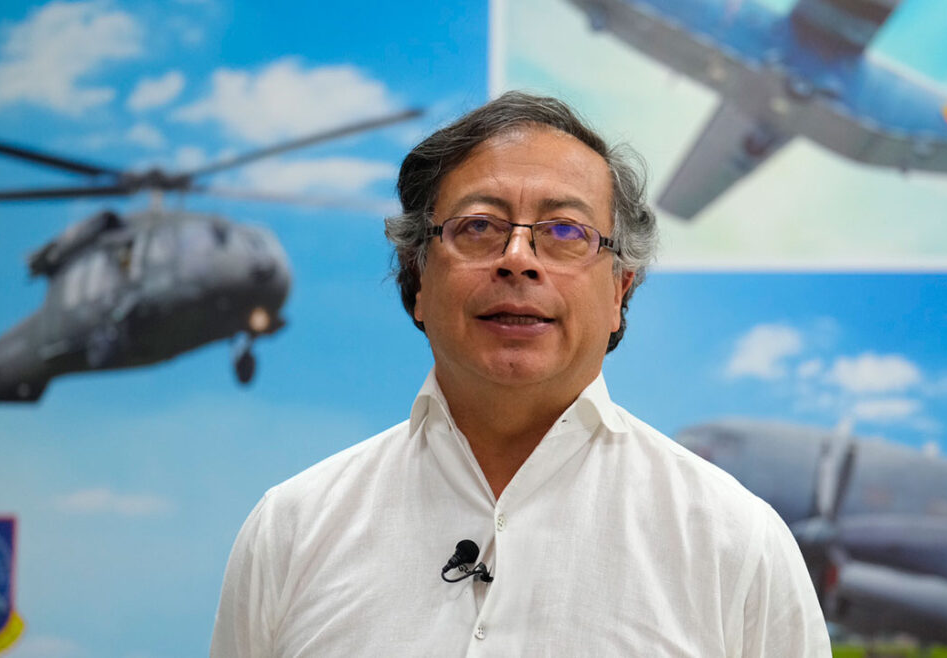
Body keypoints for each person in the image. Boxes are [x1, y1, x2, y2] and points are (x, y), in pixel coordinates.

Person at [210, 92, 830, 656]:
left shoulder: (736, 543)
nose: (517, 260)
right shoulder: (291, 530)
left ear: (619, 290)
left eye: (564, 231)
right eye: (478, 227)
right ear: (418, 279)